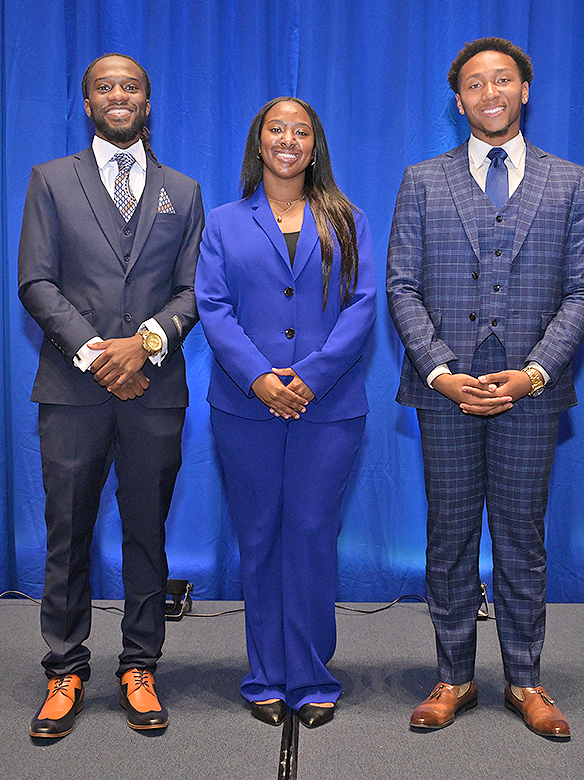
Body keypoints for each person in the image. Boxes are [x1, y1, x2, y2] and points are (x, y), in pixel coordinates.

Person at [387, 37, 584, 737]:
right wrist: (443, 373)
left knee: (521, 538)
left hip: (529, 395)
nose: (489, 93)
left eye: (502, 80)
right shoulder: (422, 180)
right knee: (448, 537)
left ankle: (525, 680)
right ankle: (452, 679)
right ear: (459, 101)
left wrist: (536, 370)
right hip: (445, 394)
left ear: (525, 90)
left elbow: (583, 290)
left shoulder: (572, 182)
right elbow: (402, 287)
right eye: (475, 84)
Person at [17, 53, 203, 738]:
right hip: (73, 390)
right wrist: (100, 354)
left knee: (146, 535)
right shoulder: (50, 181)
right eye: (105, 87)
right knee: (67, 533)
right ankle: (64, 669)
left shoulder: (183, 192)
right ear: (88, 102)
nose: (118, 95)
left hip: (154, 391)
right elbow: (36, 283)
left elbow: (194, 292)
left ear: (147, 104)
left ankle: (140, 664)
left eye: (131, 87)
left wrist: (146, 343)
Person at [196, 97, 375, 729]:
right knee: (259, 538)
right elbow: (213, 308)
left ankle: (312, 674)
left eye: (301, 131)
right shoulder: (223, 222)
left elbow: (361, 307)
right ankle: (265, 675)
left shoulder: (348, 219)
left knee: (310, 536)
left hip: (329, 412)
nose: (289, 139)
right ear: (259, 141)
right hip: (245, 410)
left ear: (315, 145)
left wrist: (308, 377)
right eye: (277, 129)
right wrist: (261, 379)